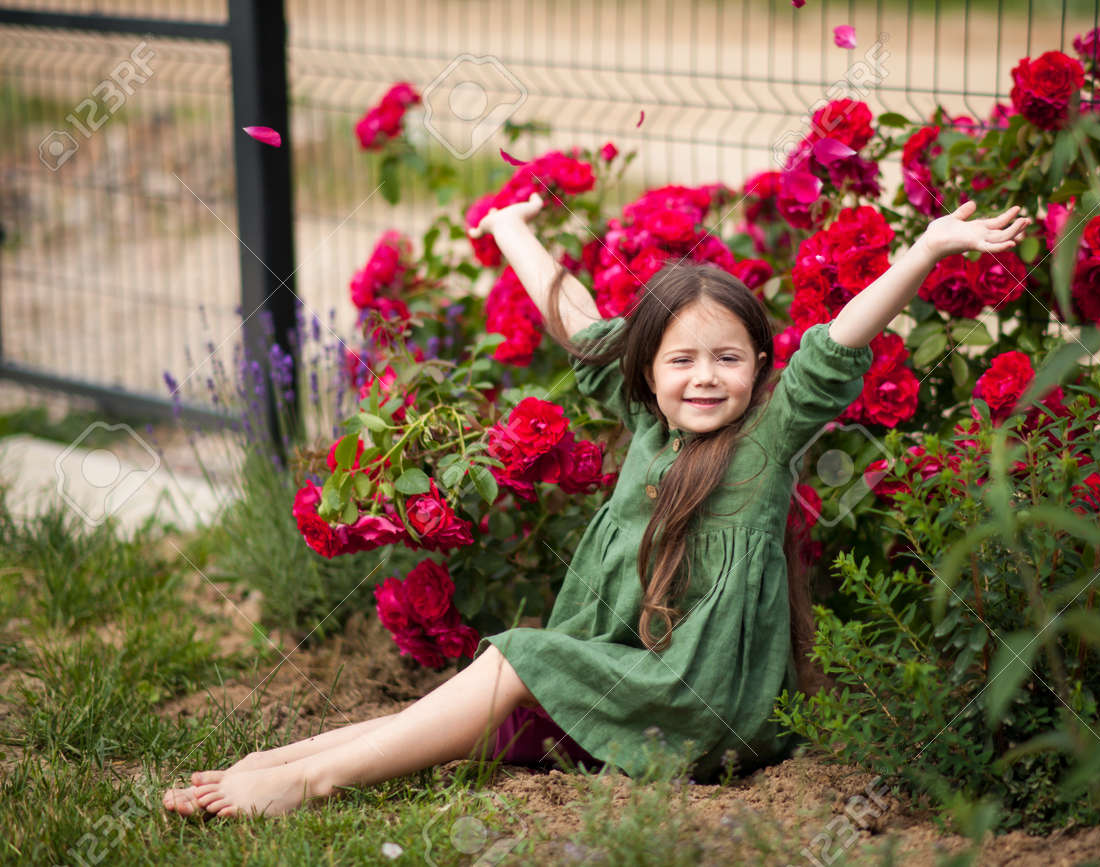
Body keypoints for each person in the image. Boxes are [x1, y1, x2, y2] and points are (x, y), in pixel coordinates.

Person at [162, 192, 1029, 818]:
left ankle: (308, 783)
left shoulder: (766, 435)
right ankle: (281, 760)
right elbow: (579, 324)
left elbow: (840, 343)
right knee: (469, 716)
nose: (705, 377)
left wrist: (926, 250)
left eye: (729, 358)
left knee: (510, 660)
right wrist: (511, 230)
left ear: (762, 367)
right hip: (634, 676)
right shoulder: (648, 424)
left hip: (701, 700)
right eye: (682, 360)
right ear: (648, 370)